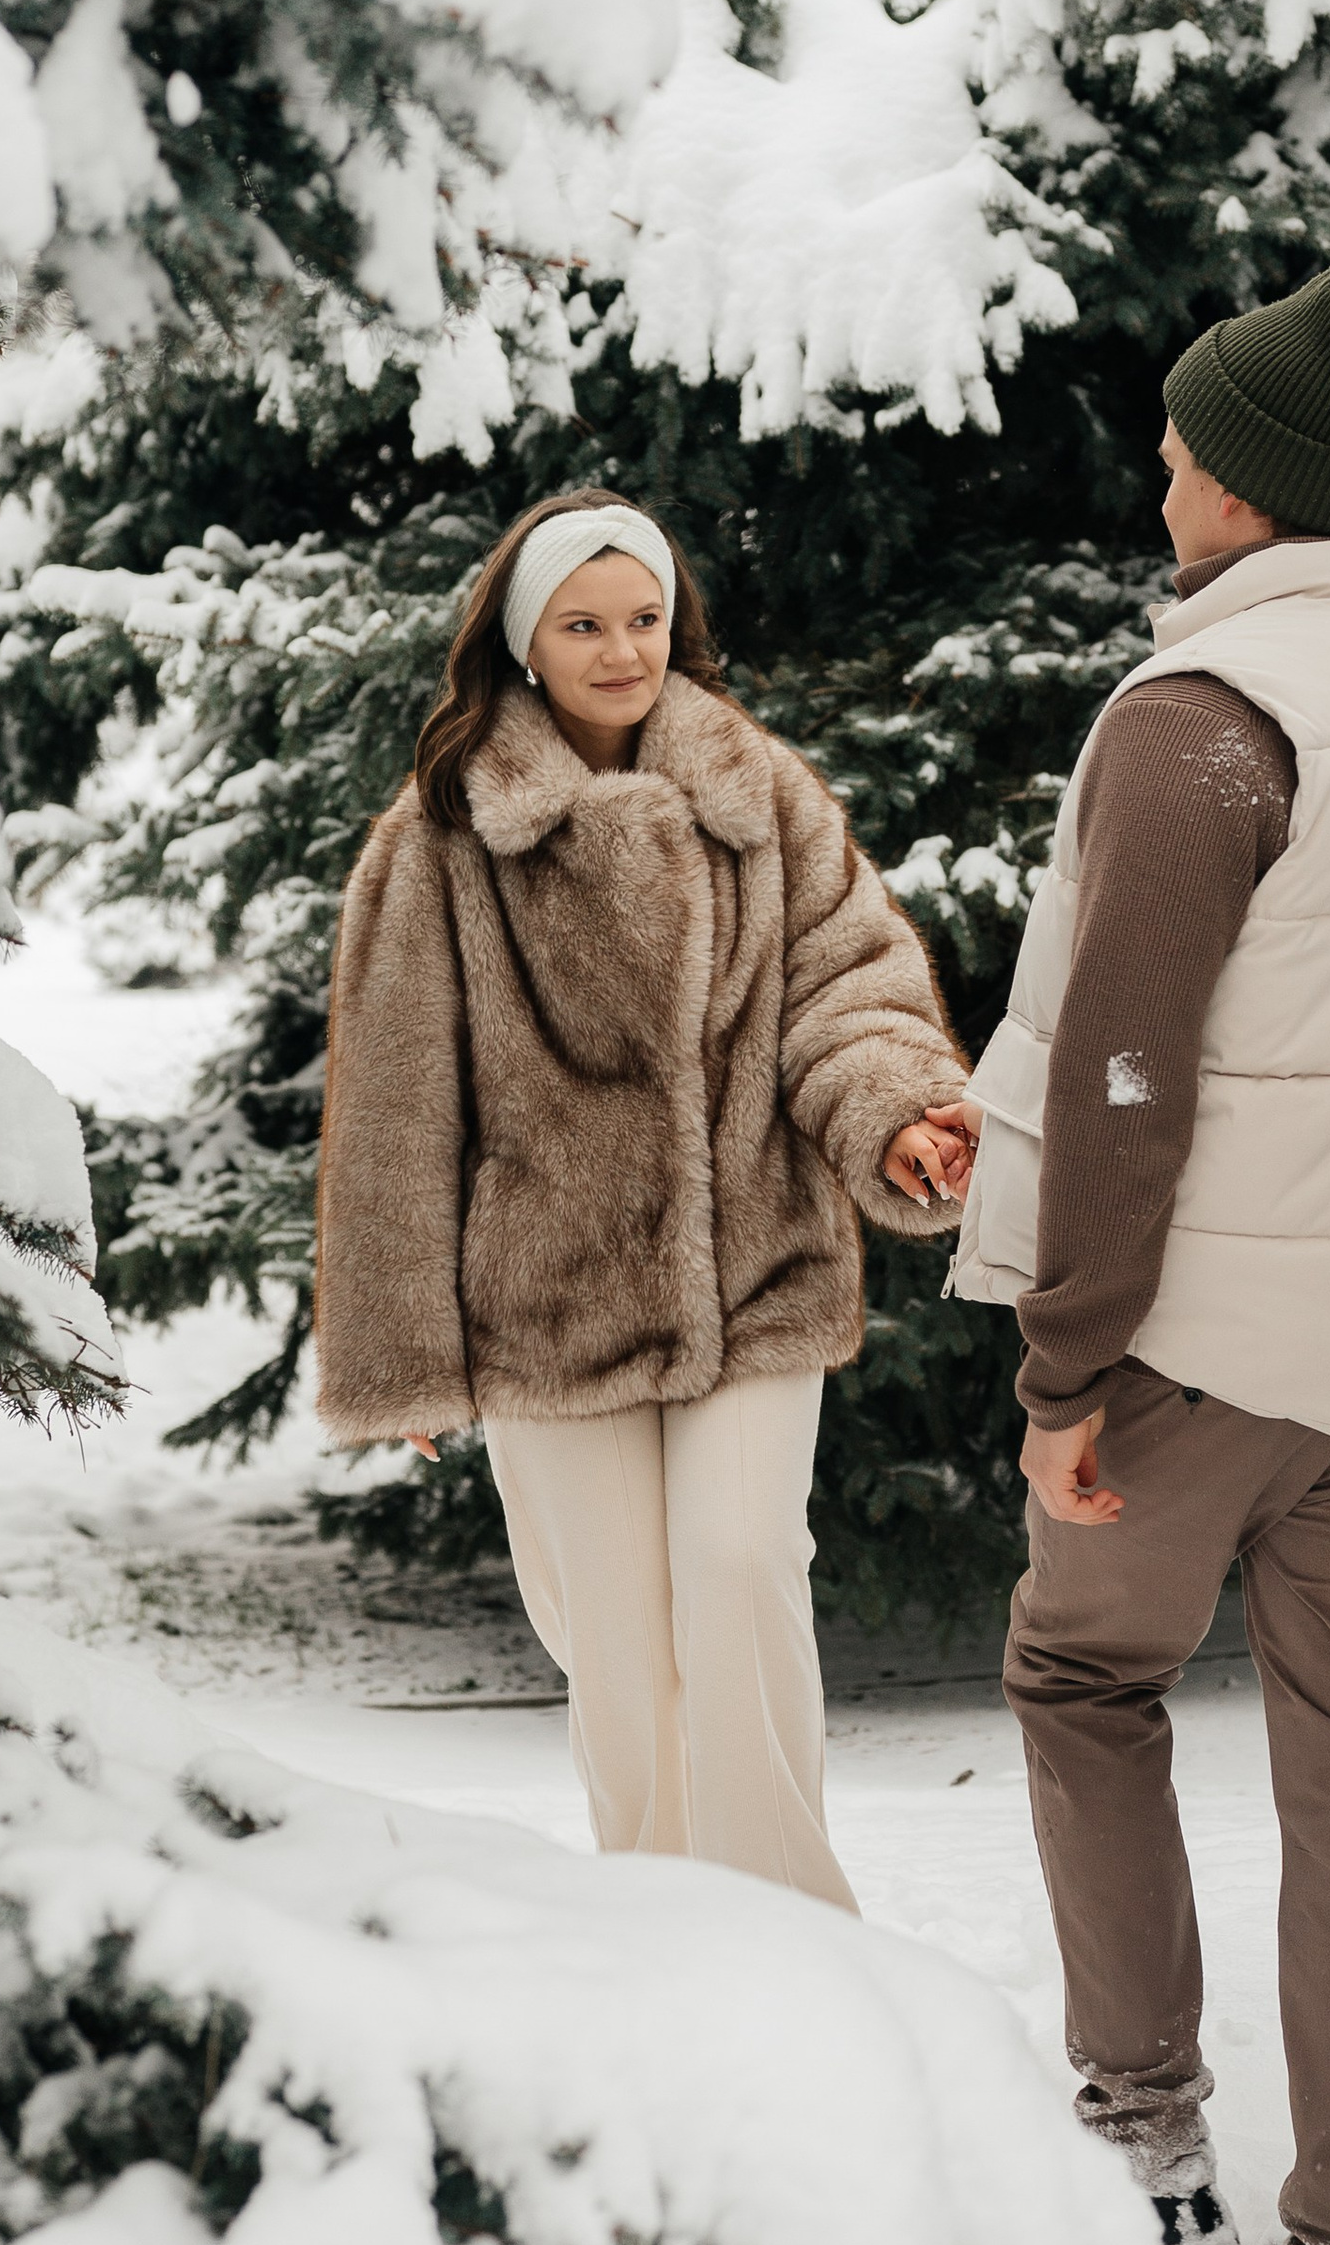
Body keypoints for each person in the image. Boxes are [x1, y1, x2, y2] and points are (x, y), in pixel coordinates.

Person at [949, 256, 1330, 2245]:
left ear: (1248, 483)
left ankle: (1141, 2132)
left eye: (1181, 450)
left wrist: (1064, 1367)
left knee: (1079, 1676)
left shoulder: (1203, 720)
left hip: (1203, 1354)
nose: (1160, 477)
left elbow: (1127, 1077)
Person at [316, 490, 976, 1913]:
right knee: (614, 1639)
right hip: (547, 1297)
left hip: (758, 1265)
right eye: (584, 626)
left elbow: (849, 989)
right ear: (522, 641)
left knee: (740, 1568)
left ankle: (796, 1931)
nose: (623, 652)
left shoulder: (761, 794)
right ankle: (664, 1928)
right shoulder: (442, 838)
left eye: (645, 619)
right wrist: (403, 1350)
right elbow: (396, 1109)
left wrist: (896, 1114)